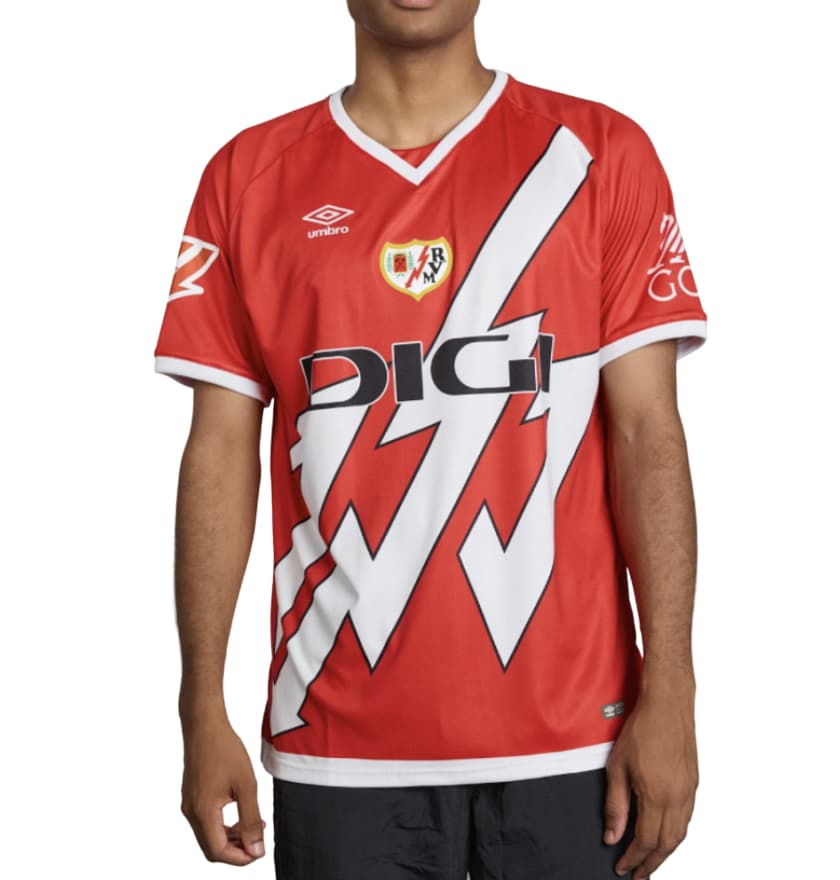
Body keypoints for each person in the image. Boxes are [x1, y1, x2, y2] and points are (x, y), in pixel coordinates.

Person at [152, 1, 706, 877]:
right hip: (337, 741)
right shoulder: (248, 177)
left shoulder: (600, 153)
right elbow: (218, 453)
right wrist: (199, 706)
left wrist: (672, 687)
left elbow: (648, 433)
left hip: (575, 739)